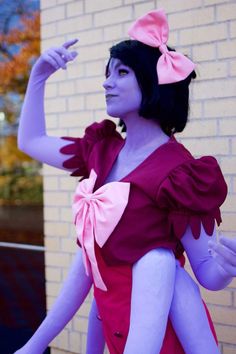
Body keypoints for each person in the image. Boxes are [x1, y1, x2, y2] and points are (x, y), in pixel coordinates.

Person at [15, 9, 236, 354]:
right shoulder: (101, 150)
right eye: (107, 74)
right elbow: (31, 142)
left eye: (121, 72)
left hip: (165, 339)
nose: (107, 82)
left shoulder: (181, 173)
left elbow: (208, 274)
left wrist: (227, 267)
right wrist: (38, 77)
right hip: (113, 334)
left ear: (151, 82)